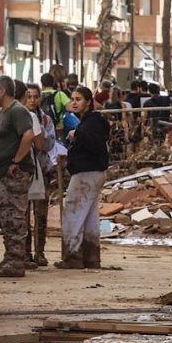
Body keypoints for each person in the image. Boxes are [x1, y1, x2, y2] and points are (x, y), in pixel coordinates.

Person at [0, 75, 37, 277]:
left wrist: (16, 161)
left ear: (2, 91)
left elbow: (29, 135)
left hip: (14, 174)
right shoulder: (4, 112)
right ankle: (11, 258)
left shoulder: (17, 111)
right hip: (3, 173)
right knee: (6, 217)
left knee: (14, 217)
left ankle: (16, 261)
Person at [63, 86, 108, 270]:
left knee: (74, 211)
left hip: (86, 173)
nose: (74, 102)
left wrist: (77, 134)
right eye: (72, 99)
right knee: (89, 215)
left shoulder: (92, 122)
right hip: (91, 172)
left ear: (88, 102)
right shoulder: (88, 121)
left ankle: (73, 256)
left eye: (79, 99)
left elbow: (95, 144)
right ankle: (91, 257)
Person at [21, 84, 56, 268]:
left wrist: (39, 131)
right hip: (23, 171)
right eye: (29, 96)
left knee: (41, 214)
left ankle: (40, 252)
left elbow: (48, 144)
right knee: (23, 213)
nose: (32, 100)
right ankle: (26, 252)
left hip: (42, 169)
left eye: (35, 97)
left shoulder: (46, 119)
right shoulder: (19, 117)